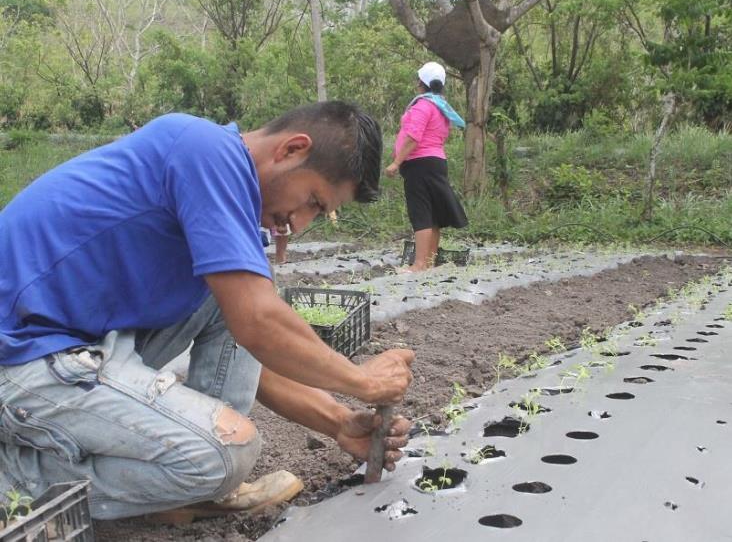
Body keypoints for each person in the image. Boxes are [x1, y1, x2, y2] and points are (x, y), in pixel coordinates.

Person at [0, 102, 415, 521]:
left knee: (228, 301)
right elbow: (258, 324)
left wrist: (339, 420)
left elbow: (254, 349)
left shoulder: (219, 180)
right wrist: (363, 380)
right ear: (291, 150)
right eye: (312, 201)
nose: (300, 223)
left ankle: (194, 487)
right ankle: (11, 482)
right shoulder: (206, 151)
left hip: (71, 345)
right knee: (225, 454)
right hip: (19, 356)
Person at [386, 61, 468, 272]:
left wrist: (396, 162)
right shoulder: (441, 106)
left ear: (421, 83)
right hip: (436, 162)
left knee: (420, 212)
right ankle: (428, 263)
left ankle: (419, 264)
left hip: (419, 164)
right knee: (433, 216)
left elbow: (413, 137)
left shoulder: (423, 105)